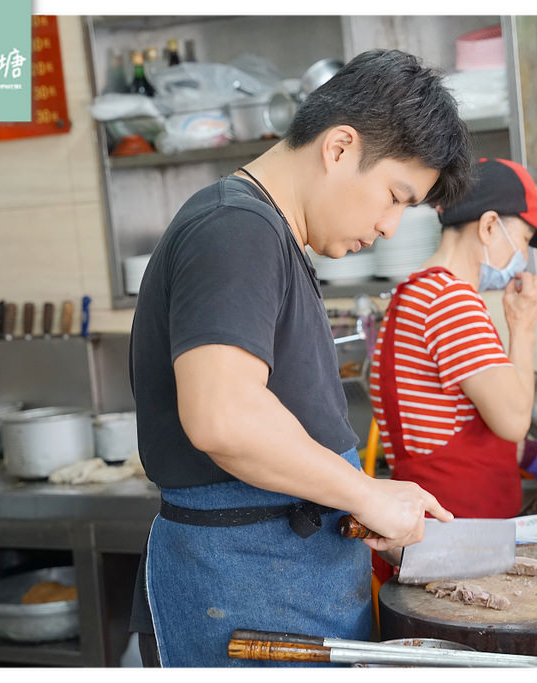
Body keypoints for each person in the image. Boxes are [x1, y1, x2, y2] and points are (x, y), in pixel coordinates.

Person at [127, 49, 472, 667]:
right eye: (394, 196)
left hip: (281, 589)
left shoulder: (268, 233)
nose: (391, 227)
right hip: (244, 596)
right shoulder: (235, 228)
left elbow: (272, 418)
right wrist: (364, 496)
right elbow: (224, 417)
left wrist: (362, 494)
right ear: (339, 148)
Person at [369, 158, 537, 523]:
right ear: (488, 226)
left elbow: (450, 417)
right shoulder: (451, 301)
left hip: (428, 521)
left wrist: (528, 455)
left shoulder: (415, 292)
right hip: (459, 528)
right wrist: (523, 327)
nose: (525, 258)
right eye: (525, 240)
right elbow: (513, 421)